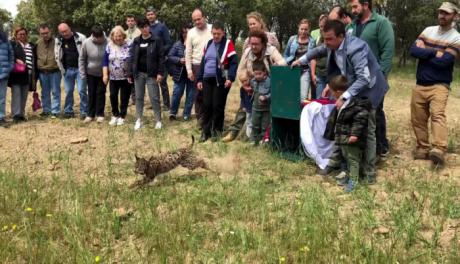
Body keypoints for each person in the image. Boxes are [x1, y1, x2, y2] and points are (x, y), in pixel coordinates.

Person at [292, 19, 388, 183]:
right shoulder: (331, 44)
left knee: (368, 130)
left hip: (369, 90)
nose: (326, 42)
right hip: (353, 88)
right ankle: (338, 163)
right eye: (325, 38)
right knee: (342, 125)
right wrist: (301, 60)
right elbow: (320, 50)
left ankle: (369, 173)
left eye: (330, 39)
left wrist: (344, 96)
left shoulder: (355, 48)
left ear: (341, 36)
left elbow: (364, 78)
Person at [409, 2, 460, 165]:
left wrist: (425, 52)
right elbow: (413, 51)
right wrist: (434, 52)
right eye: (440, 13)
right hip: (420, 83)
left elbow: (444, 62)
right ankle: (422, 147)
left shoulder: (456, 37)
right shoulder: (428, 31)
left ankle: (439, 149)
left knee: (437, 115)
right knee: (418, 117)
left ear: (454, 16)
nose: (442, 16)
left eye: (446, 13)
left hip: (440, 85)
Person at [222, 12, 282, 143]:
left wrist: (276, 70)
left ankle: (266, 137)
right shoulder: (248, 46)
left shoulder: (271, 43)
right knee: (244, 107)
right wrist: (244, 83)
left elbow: (281, 61)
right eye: (249, 24)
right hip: (251, 81)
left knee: (267, 111)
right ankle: (234, 132)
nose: (252, 26)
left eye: (254, 23)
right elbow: (240, 69)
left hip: (267, 82)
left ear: (260, 23)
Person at [347, 0, 395, 158]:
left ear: (366, 5)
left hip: (375, 79)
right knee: (360, 113)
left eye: (355, 7)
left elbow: (387, 52)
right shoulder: (351, 27)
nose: (352, 10)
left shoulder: (381, 23)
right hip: (356, 79)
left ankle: (381, 146)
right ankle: (364, 148)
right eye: (351, 7)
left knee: (376, 111)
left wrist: (380, 76)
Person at [327, 75, 371, 192]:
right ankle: (348, 176)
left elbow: (360, 119)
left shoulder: (355, 104)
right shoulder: (343, 104)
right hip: (344, 139)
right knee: (347, 158)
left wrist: (354, 134)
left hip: (351, 140)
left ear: (339, 92)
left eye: (332, 92)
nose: (332, 95)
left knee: (353, 160)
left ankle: (354, 181)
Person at [196, 22, 238, 142]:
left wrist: (230, 78)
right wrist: (199, 79)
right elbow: (203, 62)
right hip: (206, 79)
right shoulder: (209, 43)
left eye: (218, 34)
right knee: (207, 105)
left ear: (223, 33)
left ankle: (217, 131)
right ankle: (206, 131)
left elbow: (234, 62)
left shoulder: (228, 44)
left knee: (217, 106)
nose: (215, 36)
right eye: (214, 33)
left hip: (220, 80)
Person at [130, 18, 165, 130]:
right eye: (142, 27)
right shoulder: (136, 41)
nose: (144, 29)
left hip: (152, 74)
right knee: (139, 97)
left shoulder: (156, 40)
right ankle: (139, 119)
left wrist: (160, 72)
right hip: (138, 74)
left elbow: (161, 57)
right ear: (139, 28)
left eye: (146, 26)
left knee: (154, 97)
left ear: (149, 26)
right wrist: (131, 73)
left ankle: (158, 120)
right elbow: (132, 58)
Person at [185, 8, 212, 126]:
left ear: (204, 17)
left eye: (199, 19)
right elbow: (188, 53)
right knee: (198, 94)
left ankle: (211, 119)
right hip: (196, 66)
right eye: (194, 20)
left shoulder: (213, 29)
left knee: (211, 94)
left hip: (211, 66)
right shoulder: (190, 32)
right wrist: (189, 70)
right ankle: (200, 120)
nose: (197, 22)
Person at [55, 23, 88, 119]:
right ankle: (68, 111)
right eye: (62, 32)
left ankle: (84, 111)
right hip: (67, 69)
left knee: (82, 90)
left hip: (80, 69)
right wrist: (62, 69)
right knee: (69, 91)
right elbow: (57, 55)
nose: (64, 33)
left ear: (70, 29)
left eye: (65, 31)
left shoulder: (81, 37)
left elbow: (86, 52)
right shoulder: (58, 40)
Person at [103, 26, 132, 126]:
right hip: (113, 77)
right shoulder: (109, 45)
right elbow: (105, 61)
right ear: (112, 36)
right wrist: (105, 75)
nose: (118, 38)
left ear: (123, 35)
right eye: (115, 36)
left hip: (126, 77)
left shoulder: (129, 44)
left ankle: (122, 116)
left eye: (119, 36)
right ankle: (115, 115)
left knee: (124, 97)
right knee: (113, 96)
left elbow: (133, 59)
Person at [79, 25, 107, 123]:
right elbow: (82, 58)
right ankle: (90, 114)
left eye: (101, 36)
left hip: (103, 73)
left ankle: (100, 114)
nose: (100, 39)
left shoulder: (108, 41)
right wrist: (82, 74)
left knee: (101, 93)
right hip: (90, 73)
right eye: (97, 37)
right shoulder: (86, 42)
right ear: (93, 36)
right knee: (91, 93)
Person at [8, 27, 37, 122]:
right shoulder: (13, 45)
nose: (22, 36)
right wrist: (16, 59)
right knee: (16, 94)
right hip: (16, 74)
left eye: (24, 34)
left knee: (24, 95)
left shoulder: (31, 45)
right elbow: (9, 55)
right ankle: (15, 115)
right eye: (20, 34)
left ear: (26, 35)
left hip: (28, 74)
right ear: (16, 35)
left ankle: (21, 114)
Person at [284, 19, 316, 102]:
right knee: (291, 94)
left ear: (309, 29)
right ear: (298, 28)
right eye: (301, 29)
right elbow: (286, 54)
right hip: (292, 69)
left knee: (303, 97)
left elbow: (313, 57)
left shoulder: (312, 42)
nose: (303, 31)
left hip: (305, 70)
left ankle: (302, 114)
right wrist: (285, 65)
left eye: (305, 29)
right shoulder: (292, 39)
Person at [168, 23, 195, 121]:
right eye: (183, 32)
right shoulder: (177, 44)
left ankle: (186, 114)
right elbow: (170, 56)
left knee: (191, 94)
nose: (185, 34)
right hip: (180, 74)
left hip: (192, 73)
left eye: (187, 32)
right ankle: (173, 113)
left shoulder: (195, 44)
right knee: (177, 93)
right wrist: (179, 60)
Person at [146, 7, 171, 111]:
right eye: (148, 14)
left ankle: (166, 104)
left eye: (152, 14)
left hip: (161, 60)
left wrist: (160, 52)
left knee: (163, 82)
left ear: (155, 15)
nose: (150, 16)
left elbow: (169, 43)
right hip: (150, 61)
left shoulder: (162, 27)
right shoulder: (146, 28)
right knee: (152, 82)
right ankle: (155, 103)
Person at [36, 24, 61, 118]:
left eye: (46, 33)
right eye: (42, 33)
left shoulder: (57, 42)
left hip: (55, 71)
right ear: (40, 33)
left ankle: (55, 111)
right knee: (44, 92)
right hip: (42, 72)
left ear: (50, 31)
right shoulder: (38, 43)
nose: (45, 35)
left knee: (55, 91)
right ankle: (46, 110)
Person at [249, 61, 271, 144]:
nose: (257, 76)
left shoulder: (269, 81)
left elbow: (273, 93)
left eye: (259, 74)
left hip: (266, 109)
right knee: (255, 124)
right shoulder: (253, 81)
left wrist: (266, 97)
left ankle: (263, 140)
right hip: (255, 107)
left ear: (264, 72)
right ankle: (253, 140)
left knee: (265, 125)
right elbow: (252, 90)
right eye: (255, 74)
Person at [310, 14, 329, 98]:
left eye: (323, 26)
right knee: (319, 99)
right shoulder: (317, 40)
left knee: (331, 101)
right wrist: (313, 74)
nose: (321, 29)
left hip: (331, 76)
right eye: (320, 26)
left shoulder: (333, 38)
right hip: (319, 75)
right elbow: (313, 57)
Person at [125, 14, 141, 105]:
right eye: (128, 21)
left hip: (137, 57)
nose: (130, 22)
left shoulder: (139, 32)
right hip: (127, 58)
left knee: (136, 78)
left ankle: (137, 97)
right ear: (126, 22)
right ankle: (131, 97)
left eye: (132, 20)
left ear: (135, 22)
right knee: (129, 77)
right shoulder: (125, 32)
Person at [0, 26, 14, 127]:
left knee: (2, 98)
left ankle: (1, 117)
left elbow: (11, 55)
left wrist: (10, 67)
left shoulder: (5, 40)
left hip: (3, 74)